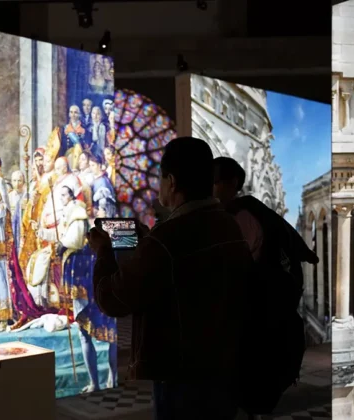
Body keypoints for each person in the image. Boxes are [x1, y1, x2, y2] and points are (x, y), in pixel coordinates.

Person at [87, 137, 252, 420]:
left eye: (160, 178)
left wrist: (103, 251)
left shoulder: (167, 240)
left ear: (172, 182)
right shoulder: (228, 225)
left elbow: (112, 299)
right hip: (223, 368)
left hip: (181, 378)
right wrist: (149, 241)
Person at [212, 157, 318, 417]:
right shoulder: (247, 212)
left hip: (254, 321)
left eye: (213, 182)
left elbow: (234, 271)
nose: (209, 188)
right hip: (260, 317)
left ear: (231, 184)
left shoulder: (241, 217)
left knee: (247, 392)